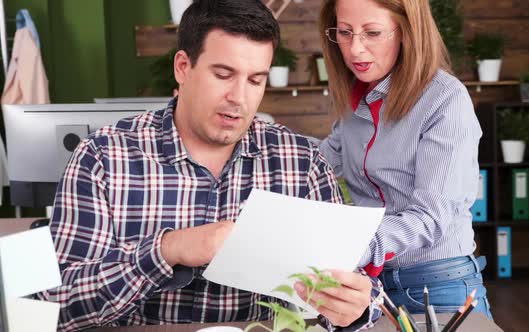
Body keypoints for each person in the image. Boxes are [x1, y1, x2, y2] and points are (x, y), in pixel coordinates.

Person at [36, 1, 377, 330]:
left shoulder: (302, 162)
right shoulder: (103, 156)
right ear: (183, 67)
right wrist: (168, 250)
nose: (239, 98)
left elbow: (353, 290)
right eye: (223, 74)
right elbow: (54, 307)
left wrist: (355, 311)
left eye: (255, 80)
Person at [318, 0, 493, 318]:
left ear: (408, 32)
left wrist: (354, 243)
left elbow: (430, 217)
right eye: (344, 32)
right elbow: (320, 163)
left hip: (439, 286)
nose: (355, 49)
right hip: (371, 287)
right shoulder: (358, 98)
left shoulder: (444, 99)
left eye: (372, 32)